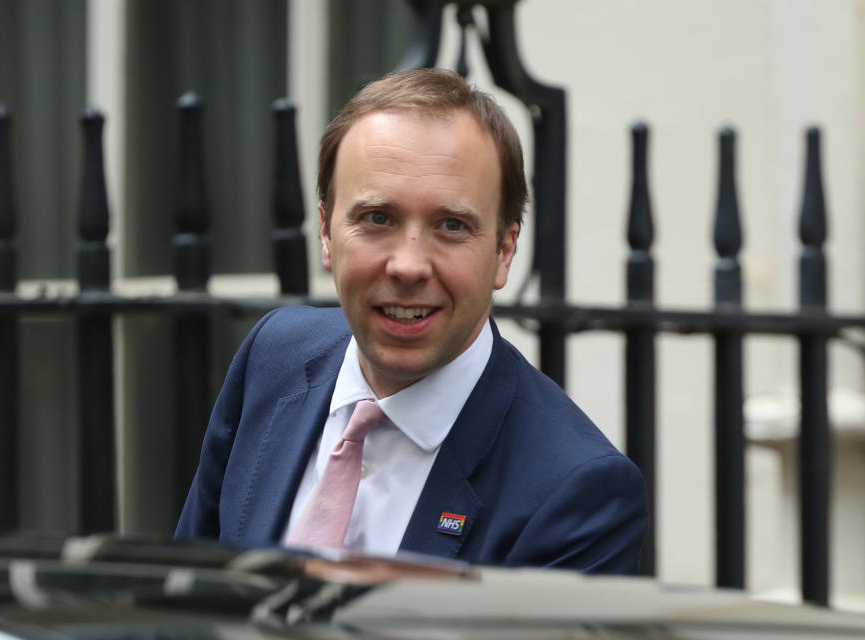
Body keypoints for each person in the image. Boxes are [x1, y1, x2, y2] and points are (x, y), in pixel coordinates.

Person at [175, 68, 648, 573]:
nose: (408, 265)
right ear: (326, 233)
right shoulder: (273, 357)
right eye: (378, 218)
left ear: (504, 251)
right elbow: (181, 604)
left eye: (451, 226)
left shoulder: (578, 493)